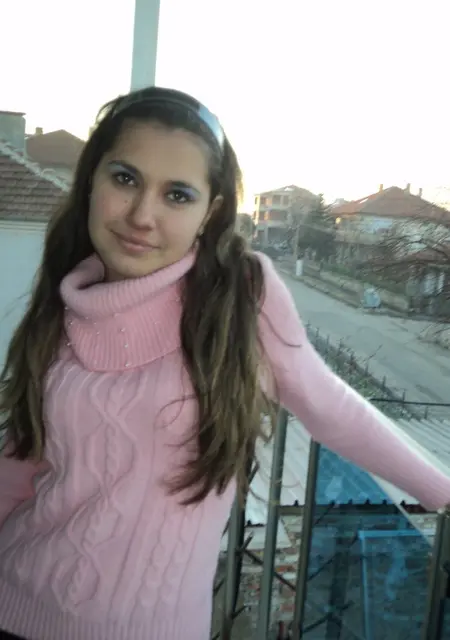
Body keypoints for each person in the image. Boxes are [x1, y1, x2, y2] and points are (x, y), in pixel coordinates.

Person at [0, 86, 449, 640]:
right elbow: (20, 466)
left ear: (209, 211)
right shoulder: (59, 307)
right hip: (15, 604)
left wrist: (444, 491)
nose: (142, 215)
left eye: (177, 194)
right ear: (91, 180)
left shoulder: (239, 297)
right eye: (125, 179)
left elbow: (331, 407)